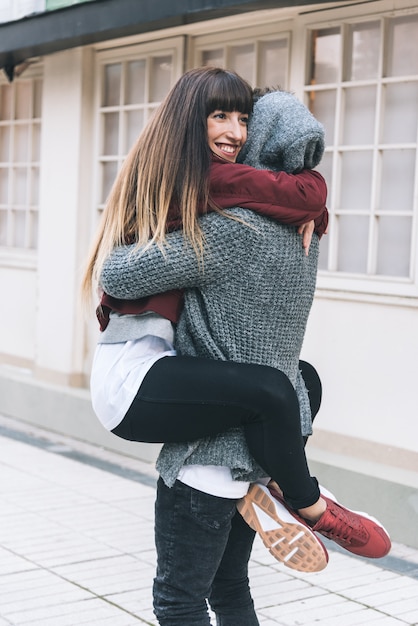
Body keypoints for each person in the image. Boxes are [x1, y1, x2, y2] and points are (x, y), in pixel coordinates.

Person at [82, 68, 391, 626]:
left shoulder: (233, 218)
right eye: (220, 115)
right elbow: (116, 274)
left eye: (244, 119)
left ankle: (286, 488)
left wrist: (306, 206)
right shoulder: (205, 196)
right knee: (281, 389)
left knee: (296, 384)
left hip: (181, 385)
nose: (233, 130)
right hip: (133, 375)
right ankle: (300, 495)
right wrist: (309, 207)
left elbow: (270, 195)